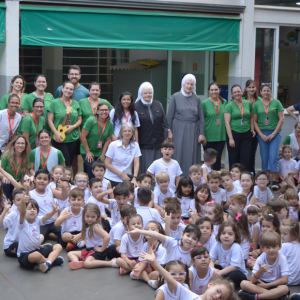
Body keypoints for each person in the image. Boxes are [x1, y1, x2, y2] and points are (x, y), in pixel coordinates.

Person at [167, 74, 205, 176]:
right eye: (187, 84)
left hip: (193, 130)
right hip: (178, 129)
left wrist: (202, 133)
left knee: (191, 154)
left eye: (191, 84)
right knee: (179, 152)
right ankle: (178, 177)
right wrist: (169, 130)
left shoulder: (197, 98)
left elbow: (201, 118)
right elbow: (169, 116)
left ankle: (192, 178)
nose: (189, 86)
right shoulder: (175, 97)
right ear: (183, 84)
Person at [239, 231, 289, 300]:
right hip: (261, 284)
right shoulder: (260, 258)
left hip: (275, 285)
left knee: (284, 288)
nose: (271, 250)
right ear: (262, 248)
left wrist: (267, 285)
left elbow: (285, 280)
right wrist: (260, 271)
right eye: (268, 247)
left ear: (279, 247)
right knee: (243, 283)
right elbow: (252, 280)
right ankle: (274, 296)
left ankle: (255, 297)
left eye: (274, 246)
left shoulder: (282, 258)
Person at [253, 84, 284, 190]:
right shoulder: (257, 104)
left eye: (268, 90)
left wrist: (274, 133)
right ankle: (265, 181)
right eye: (264, 91)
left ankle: (274, 181)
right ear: (260, 92)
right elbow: (254, 121)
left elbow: (282, 119)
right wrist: (261, 135)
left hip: (274, 133)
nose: (266, 92)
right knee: (265, 156)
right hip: (262, 133)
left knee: (273, 156)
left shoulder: (277, 102)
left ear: (271, 92)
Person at [134, 82, 168, 174]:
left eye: (150, 92)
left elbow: (164, 123)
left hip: (158, 143)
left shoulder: (158, 104)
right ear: (141, 94)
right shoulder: (135, 106)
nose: (148, 95)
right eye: (145, 93)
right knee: (146, 171)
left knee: (159, 171)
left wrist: (165, 140)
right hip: (144, 145)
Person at [48, 81, 82, 170]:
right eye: (66, 88)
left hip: (73, 137)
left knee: (70, 161)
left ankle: (66, 180)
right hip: (59, 137)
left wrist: (73, 126)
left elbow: (79, 120)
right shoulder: (54, 103)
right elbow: (49, 120)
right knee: (64, 162)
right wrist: (55, 133)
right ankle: (64, 180)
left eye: (71, 89)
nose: (68, 90)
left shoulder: (76, 103)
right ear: (62, 89)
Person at [67, 203, 112, 270]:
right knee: (70, 254)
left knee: (87, 264)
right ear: (84, 215)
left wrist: (102, 249)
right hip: (89, 250)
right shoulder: (87, 225)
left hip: (97, 251)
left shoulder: (95, 227)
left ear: (97, 216)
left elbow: (107, 237)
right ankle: (77, 263)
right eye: (87, 216)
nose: (90, 219)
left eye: (93, 217)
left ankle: (110, 263)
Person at [80, 102, 114, 179]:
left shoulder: (109, 123)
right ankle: (90, 186)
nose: (104, 112)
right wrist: (88, 152)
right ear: (97, 111)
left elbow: (107, 139)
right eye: (102, 110)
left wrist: (103, 154)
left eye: (106, 110)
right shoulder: (91, 121)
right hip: (87, 149)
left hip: (100, 151)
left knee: (100, 169)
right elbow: (83, 136)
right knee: (92, 169)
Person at [224, 84, 254, 171]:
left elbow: (251, 117)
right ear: (232, 94)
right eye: (235, 92)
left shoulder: (248, 103)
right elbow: (227, 123)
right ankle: (233, 180)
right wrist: (231, 138)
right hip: (234, 134)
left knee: (246, 158)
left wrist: (252, 129)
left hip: (247, 134)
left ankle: (245, 180)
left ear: (242, 92)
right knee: (234, 159)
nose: (237, 93)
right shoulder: (229, 106)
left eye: (238, 91)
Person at [104, 122, 141, 188]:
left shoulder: (135, 145)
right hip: (111, 177)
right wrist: (121, 174)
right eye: (125, 131)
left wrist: (134, 178)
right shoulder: (113, 145)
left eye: (129, 131)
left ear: (132, 133)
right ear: (121, 132)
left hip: (126, 178)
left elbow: (136, 164)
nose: (127, 133)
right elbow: (107, 163)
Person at [202, 82, 227, 171]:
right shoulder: (204, 103)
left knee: (218, 158)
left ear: (219, 90)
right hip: (208, 135)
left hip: (221, 135)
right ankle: (207, 177)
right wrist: (202, 134)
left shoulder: (224, 102)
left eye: (216, 89)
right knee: (209, 159)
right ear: (209, 91)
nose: (214, 91)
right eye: (212, 90)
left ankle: (216, 178)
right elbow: (201, 120)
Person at [1, 135, 32, 200]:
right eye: (18, 143)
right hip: (8, 181)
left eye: (22, 143)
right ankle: (7, 201)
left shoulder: (26, 157)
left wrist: (21, 181)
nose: (20, 145)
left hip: (19, 182)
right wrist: (4, 177)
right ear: (14, 145)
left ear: (25, 145)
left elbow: (25, 174)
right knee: (5, 184)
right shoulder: (6, 155)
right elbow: (0, 170)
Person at [242, 80, 262, 174]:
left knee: (251, 154)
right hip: (244, 129)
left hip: (256, 129)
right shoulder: (241, 99)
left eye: (253, 87)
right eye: (249, 87)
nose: (251, 89)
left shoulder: (259, 100)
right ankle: (242, 173)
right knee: (244, 154)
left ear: (256, 88)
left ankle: (251, 173)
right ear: (246, 88)